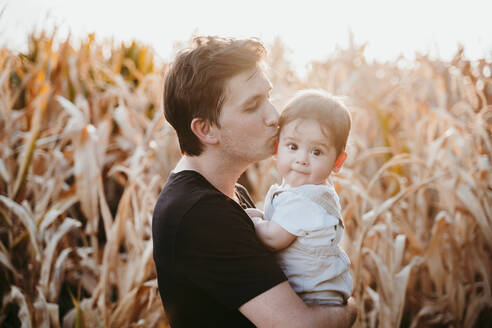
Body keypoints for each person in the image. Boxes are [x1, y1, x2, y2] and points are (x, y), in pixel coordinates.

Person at [152, 36, 357, 327]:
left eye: (269, 97)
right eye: (253, 106)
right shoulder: (199, 214)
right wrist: (349, 309)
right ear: (206, 129)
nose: (274, 116)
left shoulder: (230, 194)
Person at [246, 90, 353, 306]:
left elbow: (272, 238)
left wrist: (249, 219)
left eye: (317, 152)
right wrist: (260, 215)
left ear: (338, 162)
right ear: (277, 147)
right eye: (293, 147)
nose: (302, 159)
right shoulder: (301, 193)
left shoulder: (308, 200)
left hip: (314, 299)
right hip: (310, 293)